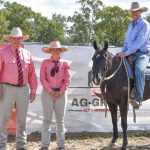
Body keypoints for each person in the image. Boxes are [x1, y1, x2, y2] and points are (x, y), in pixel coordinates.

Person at [0, 27, 38, 150]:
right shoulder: (2, 52)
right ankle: (1, 145)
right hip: (7, 88)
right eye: (14, 38)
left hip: (23, 89)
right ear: (10, 39)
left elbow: (32, 74)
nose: (16, 41)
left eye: (19, 38)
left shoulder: (27, 54)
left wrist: (33, 90)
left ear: (22, 39)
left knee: (22, 119)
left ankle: (21, 145)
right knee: (3, 118)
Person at [117, 2, 150, 107]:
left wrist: (126, 53)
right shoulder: (130, 25)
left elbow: (139, 42)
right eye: (133, 11)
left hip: (142, 53)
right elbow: (127, 42)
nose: (134, 13)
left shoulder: (145, 24)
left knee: (139, 69)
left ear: (140, 12)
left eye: (136, 11)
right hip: (130, 52)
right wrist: (122, 52)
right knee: (116, 65)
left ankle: (139, 98)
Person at [40, 41, 71, 150]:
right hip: (47, 94)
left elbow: (67, 79)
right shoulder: (44, 63)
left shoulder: (65, 63)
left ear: (60, 51)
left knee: (60, 120)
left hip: (61, 95)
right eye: (53, 49)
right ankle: (45, 145)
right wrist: (50, 91)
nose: (55, 51)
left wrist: (61, 91)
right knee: (47, 119)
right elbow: (42, 78)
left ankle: (61, 145)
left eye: (57, 49)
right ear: (50, 51)